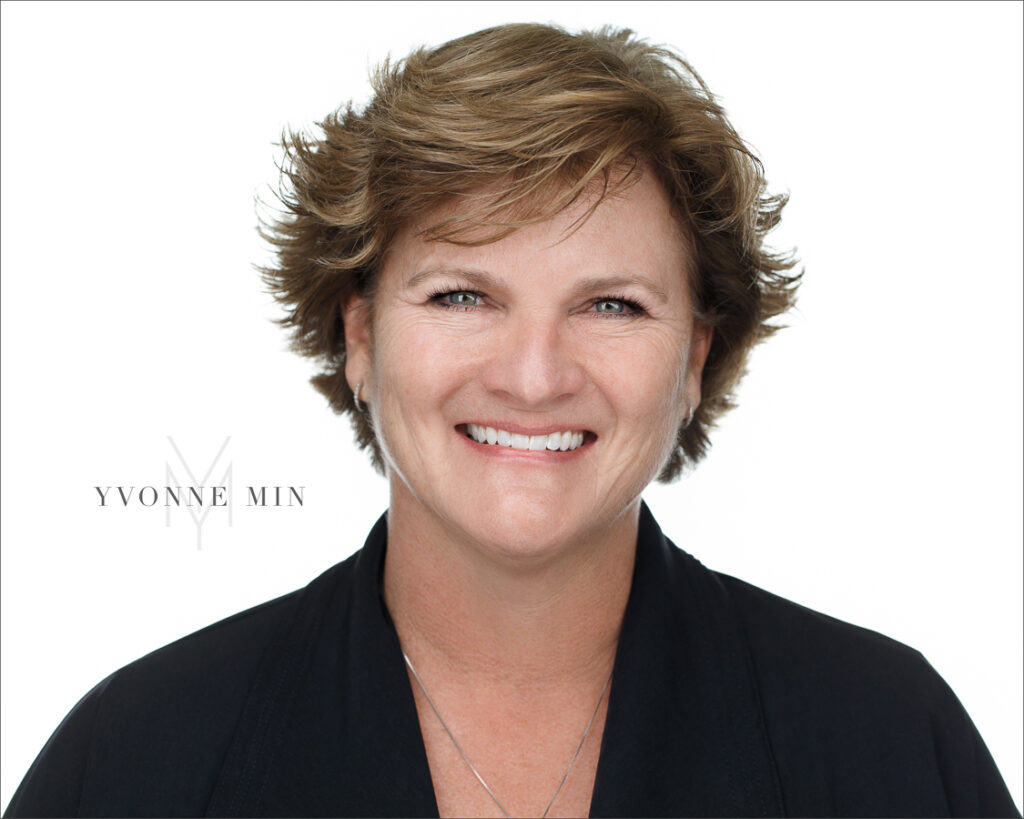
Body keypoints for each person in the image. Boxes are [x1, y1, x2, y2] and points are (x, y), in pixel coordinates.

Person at [4, 22, 1018, 819]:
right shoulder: (139, 761)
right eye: (461, 296)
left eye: (610, 304)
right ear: (358, 335)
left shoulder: (887, 742)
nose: (534, 378)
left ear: (694, 359)